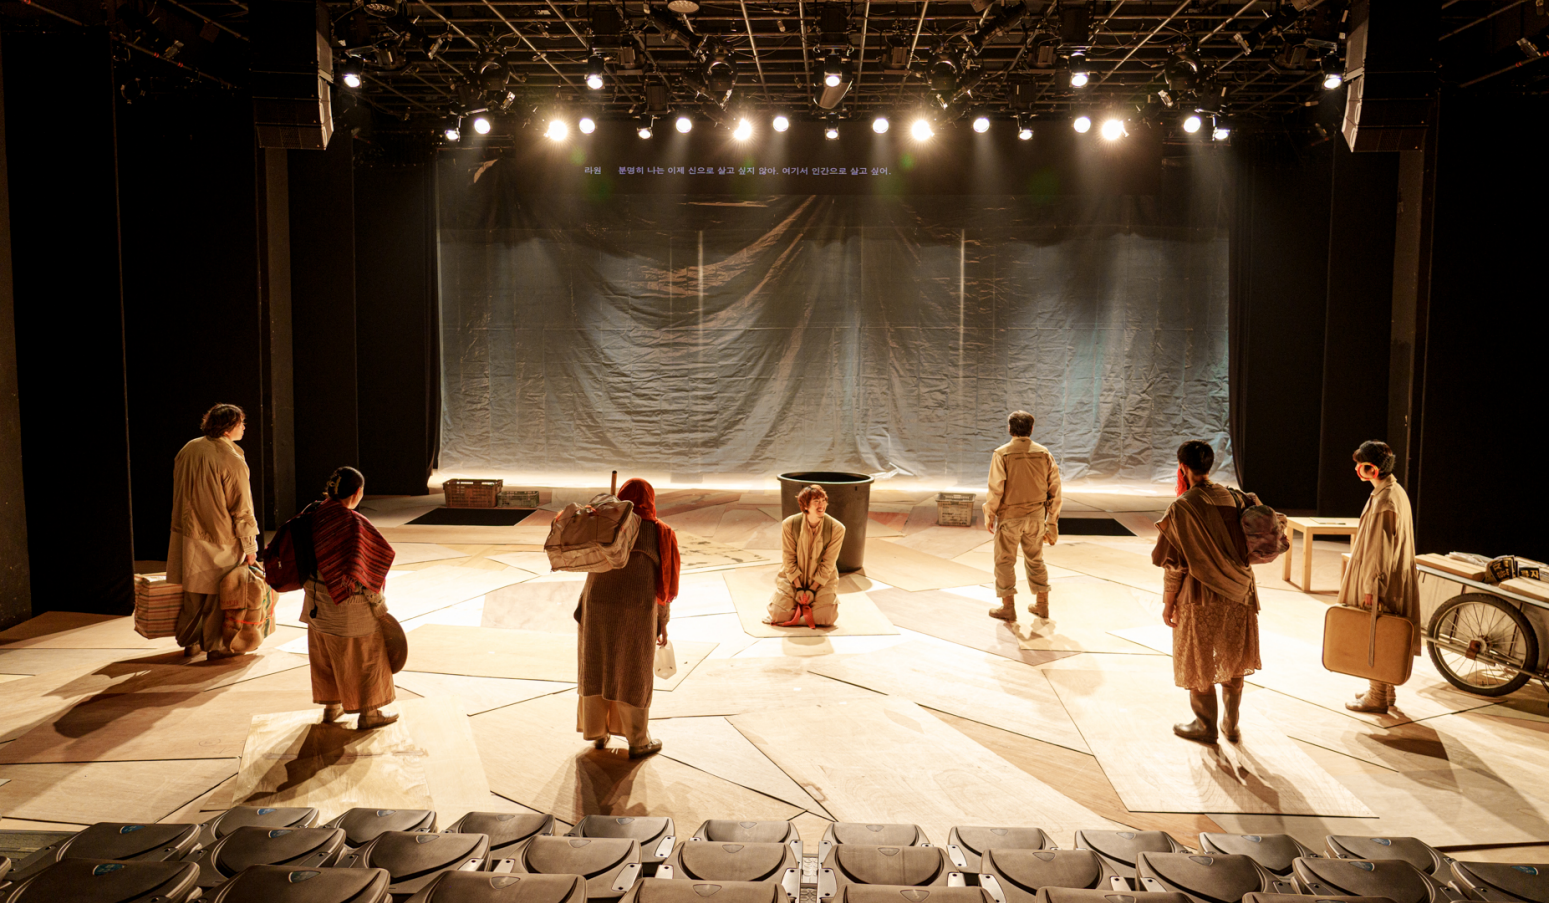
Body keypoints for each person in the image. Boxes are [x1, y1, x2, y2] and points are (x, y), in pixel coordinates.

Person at [1152, 440, 1260, 744]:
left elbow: (1174, 565)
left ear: (1183, 467)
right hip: (1240, 593)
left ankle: (1205, 724)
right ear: (1210, 465)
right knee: (1233, 657)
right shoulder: (1237, 498)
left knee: (1199, 658)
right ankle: (1231, 724)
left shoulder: (1183, 507)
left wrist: (1168, 602)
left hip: (1199, 595)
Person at [577, 477, 681, 757]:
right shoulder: (660, 532)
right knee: (633, 670)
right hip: (636, 609)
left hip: (596, 604)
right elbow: (665, 584)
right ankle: (638, 741)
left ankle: (597, 732)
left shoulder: (605, 524)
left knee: (596, 665)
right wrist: (663, 621)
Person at [302, 467, 399, 730]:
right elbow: (365, 574)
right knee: (367, 658)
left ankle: (331, 709)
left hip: (314, 603)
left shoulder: (313, 513)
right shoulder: (353, 523)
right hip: (347, 608)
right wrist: (379, 606)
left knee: (326, 658)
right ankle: (370, 714)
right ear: (357, 493)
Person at [167, 403, 259, 659]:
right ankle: (215, 647)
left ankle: (190, 642)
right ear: (228, 427)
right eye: (240, 422)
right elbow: (242, 508)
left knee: (193, 593)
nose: (244, 427)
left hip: (187, 532)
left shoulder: (189, 448)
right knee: (220, 595)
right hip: (219, 537)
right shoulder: (231, 459)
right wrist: (250, 547)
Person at [1340, 440, 1420, 714]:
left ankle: (1377, 696)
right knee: (1384, 632)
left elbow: (1379, 550)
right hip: (1390, 576)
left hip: (1382, 579)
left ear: (1371, 469)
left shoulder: (1386, 499)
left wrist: (1372, 587)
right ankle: (1385, 690)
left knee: (1376, 633)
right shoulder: (1391, 492)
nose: (1356, 470)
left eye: (1360, 465)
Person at [984, 410, 1063, 621]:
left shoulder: (1002, 454)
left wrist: (989, 514)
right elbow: (1055, 490)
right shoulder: (1044, 453)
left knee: (1004, 561)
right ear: (1032, 429)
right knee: (1036, 560)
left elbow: (996, 489)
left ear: (1010, 429)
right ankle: (1042, 605)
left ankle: (1008, 608)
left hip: (1010, 517)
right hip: (1036, 517)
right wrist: (1051, 522)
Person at [765, 485, 847, 628]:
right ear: (805, 505)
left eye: (824, 500)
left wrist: (812, 589)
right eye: (816, 501)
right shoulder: (789, 524)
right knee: (778, 613)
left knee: (827, 617)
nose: (821, 505)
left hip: (822, 580)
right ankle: (802, 614)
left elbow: (828, 563)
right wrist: (798, 588)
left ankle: (799, 616)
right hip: (792, 578)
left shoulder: (836, 528)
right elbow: (789, 559)